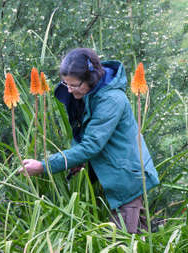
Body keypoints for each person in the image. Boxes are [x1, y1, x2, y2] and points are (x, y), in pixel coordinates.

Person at [19, 48, 159, 233]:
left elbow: (91, 145)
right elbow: (84, 131)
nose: (69, 90)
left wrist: (44, 166)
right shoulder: (89, 93)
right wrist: (77, 160)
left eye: (74, 85)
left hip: (126, 176)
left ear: (90, 78)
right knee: (137, 235)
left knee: (119, 240)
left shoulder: (111, 100)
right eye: (65, 83)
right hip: (113, 173)